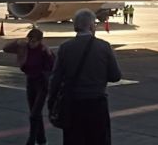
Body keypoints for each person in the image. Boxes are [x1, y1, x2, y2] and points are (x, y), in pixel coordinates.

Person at [48, 9, 122, 144]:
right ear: (92, 25)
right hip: (96, 104)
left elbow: (55, 79)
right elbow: (115, 76)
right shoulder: (104, 46)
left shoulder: (65, 47)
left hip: (73, 105)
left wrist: (51, 103)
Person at [4, 28, 55, 145]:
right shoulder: (24, 47)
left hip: (42, 83)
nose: (31, 43)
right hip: (30, 82)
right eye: (30, 40)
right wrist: (16, 42)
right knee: (35, 113)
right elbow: (5, 49)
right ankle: (42, 140)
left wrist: (48, 53)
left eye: (34, 41)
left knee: (34, 115)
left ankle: (31, 140)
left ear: (40, 41)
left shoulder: (43, 50)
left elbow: (53, 66)